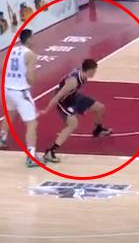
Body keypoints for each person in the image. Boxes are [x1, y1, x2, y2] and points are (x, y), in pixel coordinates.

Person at [40, 59, 111, 163]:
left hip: (73, 96)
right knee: (72, 124)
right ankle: (50, 152)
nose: (95, 73)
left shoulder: (82, 74)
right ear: (90, 70)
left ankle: (98, 130)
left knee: (100, 107)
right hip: (64, 102)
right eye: (94, 71)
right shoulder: (72, 82)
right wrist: (46, 110)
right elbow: (57, 97)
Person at [0, 29, 42, 167]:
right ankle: (31, 156)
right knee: (32, 123)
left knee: (10, 113)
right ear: (28, 39)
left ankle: (2, 138)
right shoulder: (30, 54)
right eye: (33, 37)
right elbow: (30, 77)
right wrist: (30, 82)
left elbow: (3, 68)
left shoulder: (11, 50)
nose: (34, 40)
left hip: (7, 89)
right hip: (20, 91)